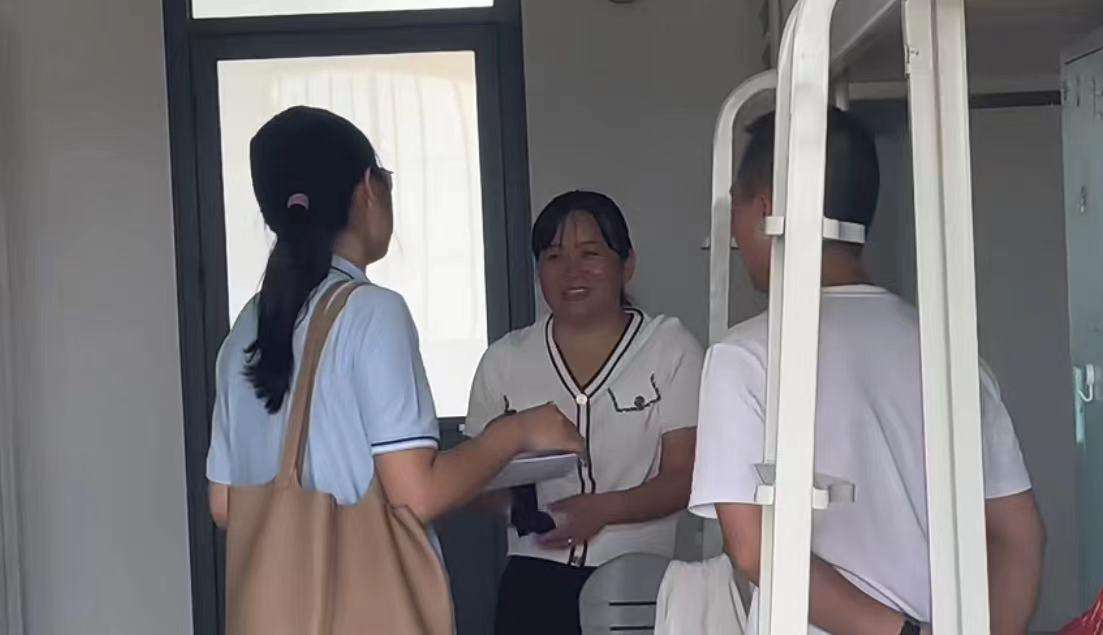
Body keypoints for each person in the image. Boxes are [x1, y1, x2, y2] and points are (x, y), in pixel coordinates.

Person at [688, 108, 1046, 634]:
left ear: (766, 210)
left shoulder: (744, 357)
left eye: (736, 207)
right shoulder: (948, 353)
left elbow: (752, 548)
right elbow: (1019, 534)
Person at [205, 107, 583, 566]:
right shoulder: (372, 311)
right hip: (363, 591)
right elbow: (415, 495)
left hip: (277, 591)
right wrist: (515, 433)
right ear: (368, 189)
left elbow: (224, 504)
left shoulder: (248, 325)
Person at [463, 190, 704, 635]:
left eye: (590, 253)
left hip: (635, 583)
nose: (572, 271)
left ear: (626, 264)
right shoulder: (505, 360)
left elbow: (684, 476)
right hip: (532, 587)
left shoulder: (669, 348)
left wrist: (606, 510)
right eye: (554, 256)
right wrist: (519, 510)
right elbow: (469, 480)